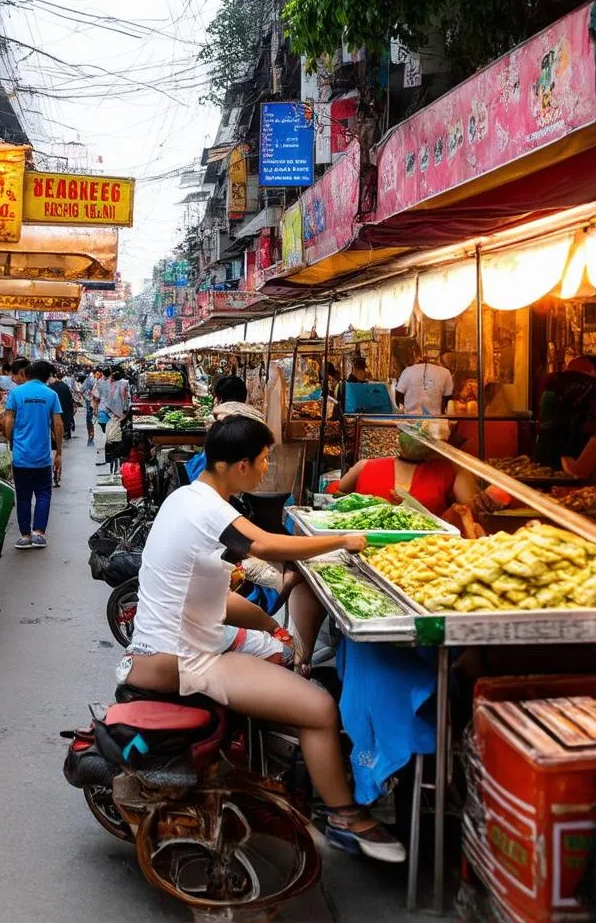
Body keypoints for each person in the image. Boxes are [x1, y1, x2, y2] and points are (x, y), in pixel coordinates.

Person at [122, 416, 405, 862]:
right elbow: (266, 547)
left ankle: (270, 765)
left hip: (184, 640)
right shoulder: (210, 510)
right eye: (263, 458)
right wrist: (342, 541)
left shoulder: (186, 497)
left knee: (283, 652)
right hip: (184, 659)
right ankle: (344, 818)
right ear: (239, 465)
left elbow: (217, 598)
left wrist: (272, 627)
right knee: (317, 707)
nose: (266, 466)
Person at [335, 427, 485, 533]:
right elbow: (335, 495)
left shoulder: (448, 471)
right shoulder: (365, 466)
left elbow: (470, 508)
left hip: (425, 547)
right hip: (365, 540)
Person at [5, 360, 63, 549]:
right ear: (47, 376)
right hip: (42, 457)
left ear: (28, 373)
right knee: (43, 494)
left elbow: (8, 421)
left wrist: (11, 442)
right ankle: (39, 533)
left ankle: (25, 536)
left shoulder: (16, 393)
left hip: (21, 456)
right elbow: (58, 424)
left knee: (22, 497)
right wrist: (59, 452)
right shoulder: (51, 394)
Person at [535, 357, 596, 471]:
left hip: (547, 446)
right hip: (575, 449)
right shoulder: (590, 385)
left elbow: (542, 419)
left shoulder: (552, 382)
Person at [395, 348, 454, 416]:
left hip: (410, 419)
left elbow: (398, 396)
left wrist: (404, 408)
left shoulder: (408, 371)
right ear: (439, 359)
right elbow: (448, 399)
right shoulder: (445, 372)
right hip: (435, 420)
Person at [49, 368, 76, 451]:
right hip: (64, 415)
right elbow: (69, 402)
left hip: (54, 417)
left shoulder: (49, 388)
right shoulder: (64, 386)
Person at [81, 370, 96, 445]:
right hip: (93, 404)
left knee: (89, 421)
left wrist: (86, 398)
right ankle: (91, 438)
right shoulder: (94, 381)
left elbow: (81, 390)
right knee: (92, 421)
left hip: (88, 404)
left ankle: (90, 438)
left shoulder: (86, 381)